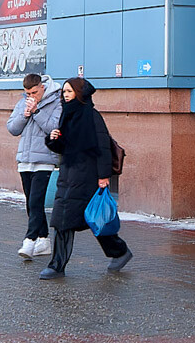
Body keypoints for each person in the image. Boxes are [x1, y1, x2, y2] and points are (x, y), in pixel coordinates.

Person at [40, 77, 131, 278]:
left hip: (87, 176)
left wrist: (103, 176)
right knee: (62, 219)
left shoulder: (92, 116)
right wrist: (53, 140)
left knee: (94, 218)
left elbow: (103, 148)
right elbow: (65, 147)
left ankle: (119, 251)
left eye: (69, 91)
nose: (65, 95)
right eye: (64, 92)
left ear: (80, 93)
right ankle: (57, 266)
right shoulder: (67, 115)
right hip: (68, 174)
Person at [5, 73, 62, 260]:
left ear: (43, 87)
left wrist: (37, 111)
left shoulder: (56, 102)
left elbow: (53, 127)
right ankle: (43, 240)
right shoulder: (23, 102)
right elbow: (12, 128)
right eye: (28, 93)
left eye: (34, 92)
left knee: (36, 201)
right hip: (25, 159)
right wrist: (25, 114)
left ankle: (29, 240)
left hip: (45, 159)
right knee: (31, 202)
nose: (31, 96)